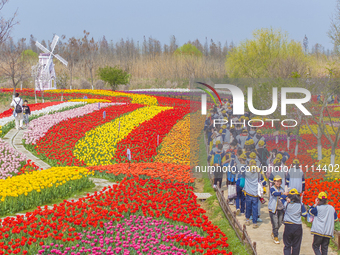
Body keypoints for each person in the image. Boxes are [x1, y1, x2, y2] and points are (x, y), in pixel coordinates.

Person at [283, 188, 307, 255]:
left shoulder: (287, 204)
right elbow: (304, 215)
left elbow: (281, 198)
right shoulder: (300, 205)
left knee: (287, 245)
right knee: (296, 246)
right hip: (297, 226)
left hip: (288, 226)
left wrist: (286, 197)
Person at [243, 160, 266, 229]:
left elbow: (242, 170)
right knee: (255, 209)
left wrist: (249, 165)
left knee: (248, 207)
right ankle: (254, 223)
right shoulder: (258, 174)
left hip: (248, 194)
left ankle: (247, 220)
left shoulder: (247, 173)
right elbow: (264, 182)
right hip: (255, 194)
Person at [268, 175, 288, 244]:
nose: (278, 183)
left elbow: (284, 197)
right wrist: (282, 193)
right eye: (276, 181)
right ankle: (276, 237)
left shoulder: (282, 189)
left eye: (279, 181)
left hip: (281, 208)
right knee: (275, 223)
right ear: (274, 182)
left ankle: (274, 232)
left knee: (280, 223)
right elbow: (274, 194)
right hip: (273, 209)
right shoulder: (272, 188)